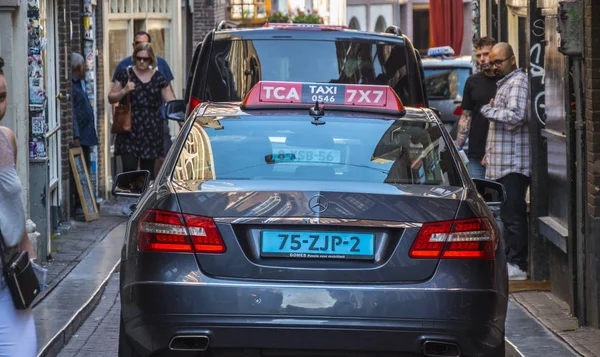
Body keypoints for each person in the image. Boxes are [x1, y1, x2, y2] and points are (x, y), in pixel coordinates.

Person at [480, 43, 530, 281]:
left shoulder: (518, 82)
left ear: (512, 59)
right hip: (502, 162)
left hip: (513, 164)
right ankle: (512, 260)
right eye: (493, 63)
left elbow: (517, 115)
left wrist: (489, 111)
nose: (495, 66)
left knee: (513, 214)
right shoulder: (506, 83)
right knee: (506, 214)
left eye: (498, 62)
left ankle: (517, 264)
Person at [0, 56, 38, 356]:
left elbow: (15, 206)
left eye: (1, 97)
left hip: (7, 282)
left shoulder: (7, 140)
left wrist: (31, 258)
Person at [108, 42, 176, 178]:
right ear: (134, 58)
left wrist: (182, 123)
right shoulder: (125, 74)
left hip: (151, 131)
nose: (141, 62)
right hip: (129, 129)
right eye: (138, 58)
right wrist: (124, 90)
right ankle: (131, 198)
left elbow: (172, 102)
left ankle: (143, 198)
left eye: (145, 59)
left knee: (147, 172)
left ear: (151, 59)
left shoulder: (158, 78)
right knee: (129, 168)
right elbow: (111, 97)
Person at [455, 36, 500, 179]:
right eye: (479, 55)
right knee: (478, 197)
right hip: (476, 153)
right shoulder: (472, 82)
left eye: (486, 54)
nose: (482, 59)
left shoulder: (507, 81)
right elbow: (466, 117)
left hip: (502, 154)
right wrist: (458, 148)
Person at [71, 53, 98, 174]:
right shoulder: (72, 85)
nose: (84, 69)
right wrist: (76, 136)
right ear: (79, 67)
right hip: (81, 137)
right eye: (83, 66)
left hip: (85, 136)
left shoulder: (78, 83)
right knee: (82, 170)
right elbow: (72, 112)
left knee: (85, 168)